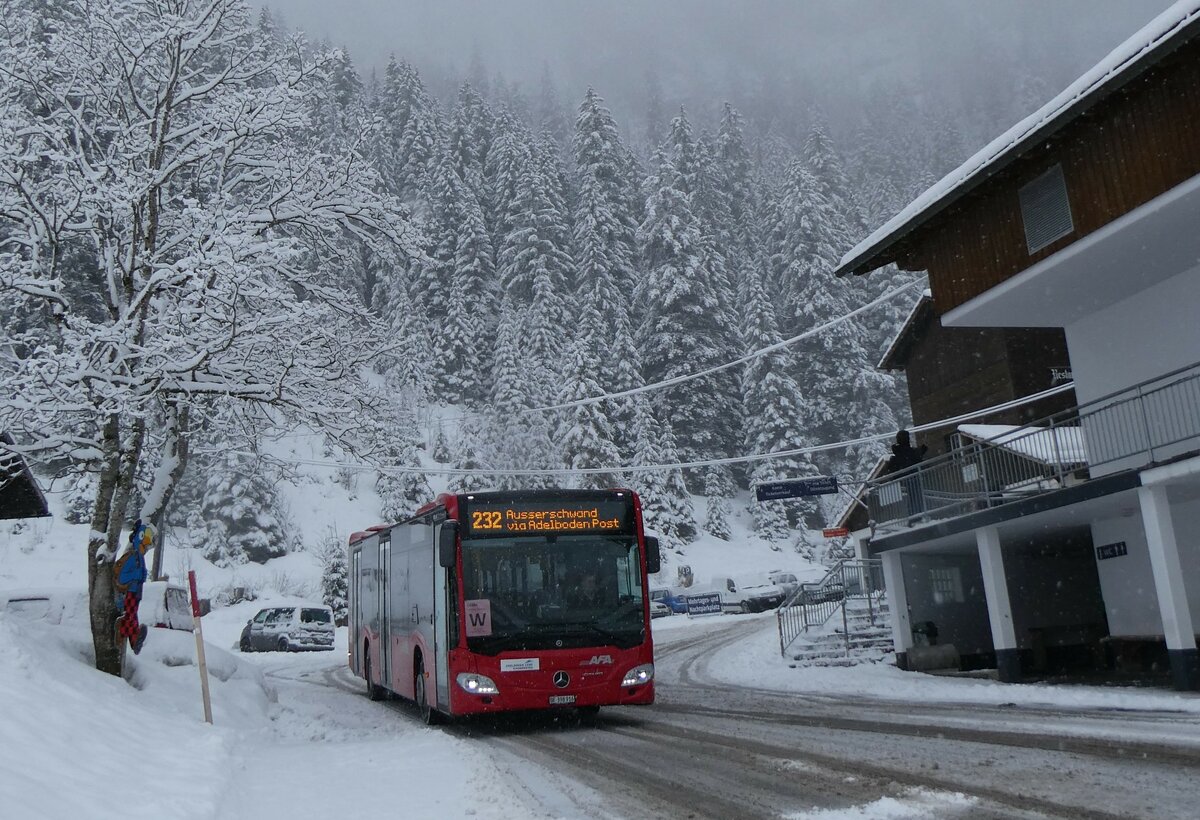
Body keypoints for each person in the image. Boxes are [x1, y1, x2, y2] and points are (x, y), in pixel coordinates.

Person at [113, 519, 155, 655]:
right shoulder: (132, 557)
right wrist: (137, 574)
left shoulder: (140, 557)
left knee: (133, 616)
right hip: (130, 592)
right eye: (143, 537)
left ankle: (134, 640)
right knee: (130, 616)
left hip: (137, 592)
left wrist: (142, 576)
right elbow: (123, 576)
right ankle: (127, 633)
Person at [885, 430, 928, 520]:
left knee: (914, 498)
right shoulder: (908, 452)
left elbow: (892, 468)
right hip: (912, 479)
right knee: (916, 498)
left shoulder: (899, 453)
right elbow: (915, 456)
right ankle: (917, 517)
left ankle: (915, 517)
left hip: (907, 480)